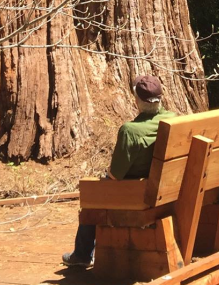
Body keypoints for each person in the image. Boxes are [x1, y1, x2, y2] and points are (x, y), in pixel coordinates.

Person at [62, 74, 175, 268]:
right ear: (160, 98)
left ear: (136, 100)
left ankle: (82, 255)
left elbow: (116, 175)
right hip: (166, 190)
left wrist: (105, 175)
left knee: (93, 197)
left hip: (137, 195)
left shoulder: (130, 130)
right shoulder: (171, 119)